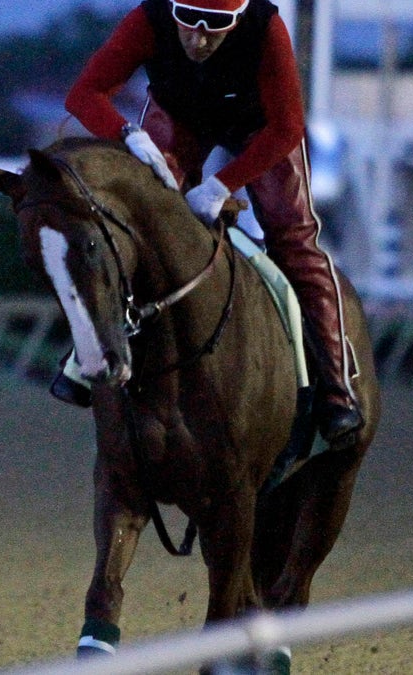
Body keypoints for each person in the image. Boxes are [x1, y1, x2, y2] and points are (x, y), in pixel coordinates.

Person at [57, 0, 364, 448]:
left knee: (293, 238)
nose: (199, 41)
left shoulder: (266, 28)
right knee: (139, 224)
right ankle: (86, 354)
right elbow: (83, 94)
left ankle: (337, 390)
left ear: (238, 18)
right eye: (189, 26)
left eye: (216, 29)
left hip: (259, 127)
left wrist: (223, 185)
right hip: (181, 115)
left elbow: (288, 128)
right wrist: (128, 134)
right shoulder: (149, 17)